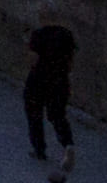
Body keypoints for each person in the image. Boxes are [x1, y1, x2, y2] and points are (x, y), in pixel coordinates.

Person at [22, 20, 78, 169]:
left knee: (34, 112)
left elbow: (33, 60)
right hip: (60, 81)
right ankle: (68, 144)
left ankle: (39, 149)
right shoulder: (66, 35)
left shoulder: (38, 35)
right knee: (57, 115)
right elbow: (71, 63)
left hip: (38, 80)